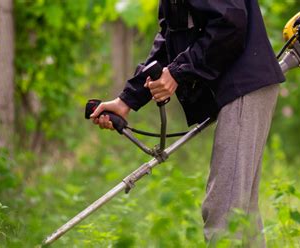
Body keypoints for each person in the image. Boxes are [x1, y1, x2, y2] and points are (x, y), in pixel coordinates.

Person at [90, 0, 285, 246]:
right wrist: (127, 100)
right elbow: (171, 39)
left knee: (224, 212)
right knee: (241, 215)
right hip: (239, 89)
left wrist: (178, 72)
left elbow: (231, 22)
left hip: (244, 86)